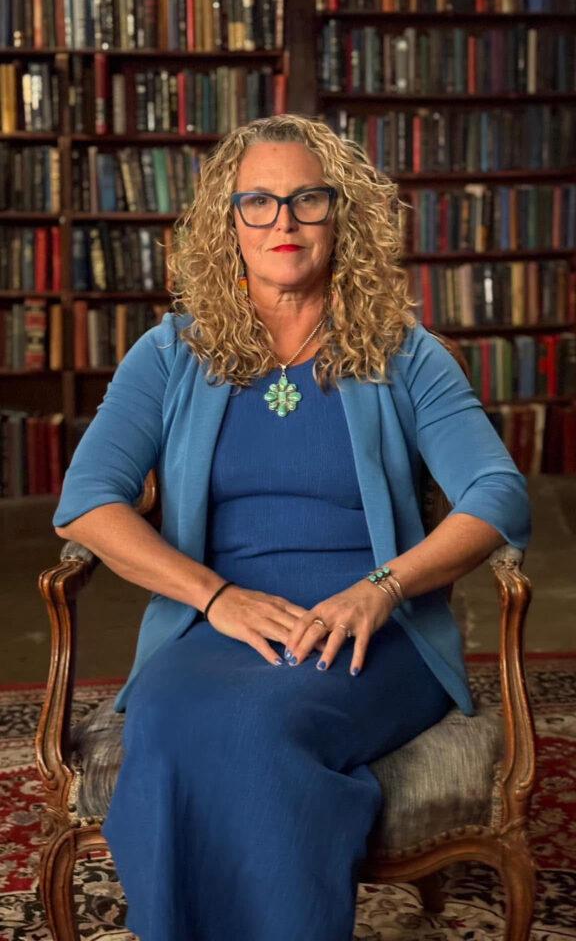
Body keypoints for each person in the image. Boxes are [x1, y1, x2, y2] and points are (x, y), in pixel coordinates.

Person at [53, 114, 530, 941]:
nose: (284, 222)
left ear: (342, 213)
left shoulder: (402, 352)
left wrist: (382, 590)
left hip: (368, 633)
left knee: (264, 729)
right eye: (260, 202)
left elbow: (498, 492)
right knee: (168, 724)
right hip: (218, 624)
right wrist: (216, 597)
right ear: (226, 222)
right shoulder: (171, 354)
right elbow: (87, 499)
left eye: (307, 199)